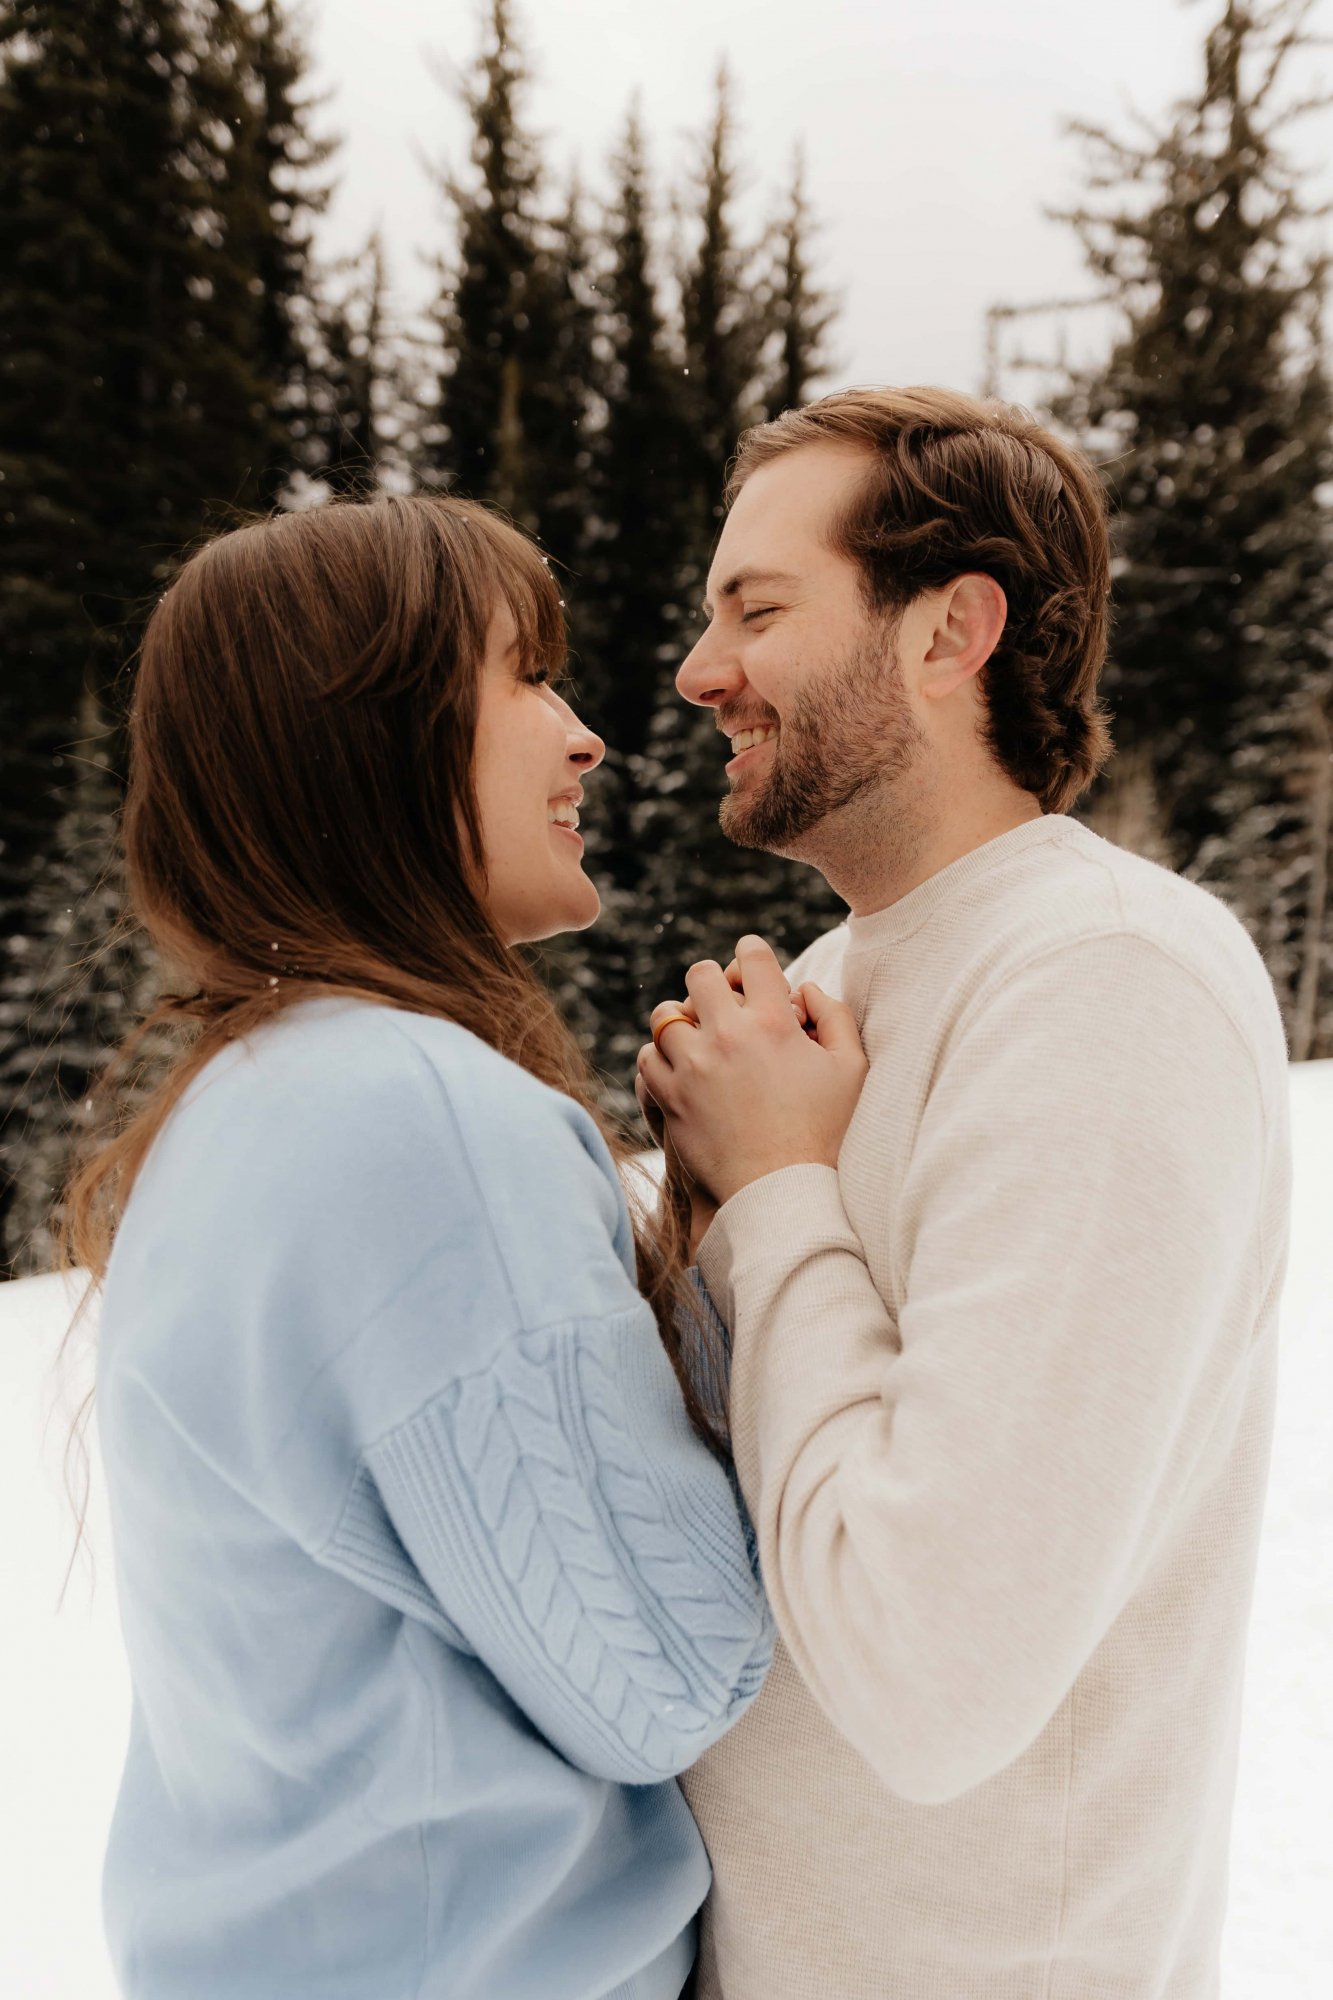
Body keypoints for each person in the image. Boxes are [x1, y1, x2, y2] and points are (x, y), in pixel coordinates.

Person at [67, 496, 862, 2000]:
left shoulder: (246, 1097)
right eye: (524, 679)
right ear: (372, 735)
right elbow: (668, 1674)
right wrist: (762, 1193)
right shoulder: (418, 1116)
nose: (585, 739)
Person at [638, 388, 1292, 2000]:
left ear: (951, 633)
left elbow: (935, 1674)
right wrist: (698, 1227)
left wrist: (780, 1183)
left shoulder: (1108, 981)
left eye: (758, 610)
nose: (698, 670)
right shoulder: (824, 988)